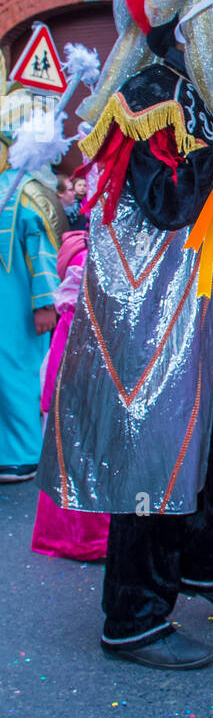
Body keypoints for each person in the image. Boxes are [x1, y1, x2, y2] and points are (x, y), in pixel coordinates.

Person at [37, 0, 213, 670]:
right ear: (193, 28)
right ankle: (132, 616)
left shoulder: (195, 94)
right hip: (147, 320)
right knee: (155, 454)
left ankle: (204, 559)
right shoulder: (149, 92)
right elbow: (171, 200)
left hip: (193, 309)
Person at [31, 230, 109, 560]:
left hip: (78, 360)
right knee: (83, 448)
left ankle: (80, 536)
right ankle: (87, 540)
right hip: (82, 362)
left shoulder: (87, 251)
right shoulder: (86, 259)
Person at [0, 88, 61, 483]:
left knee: (17, 372)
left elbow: (41, 253)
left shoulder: (26, 192)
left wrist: (44, 303)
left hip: (18, 306)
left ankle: (25, 453)